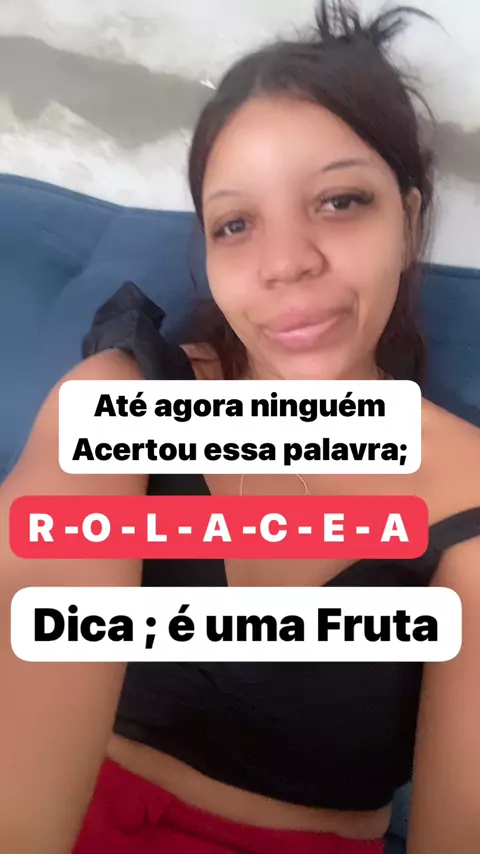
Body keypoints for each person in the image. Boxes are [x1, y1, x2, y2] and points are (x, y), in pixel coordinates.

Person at [1, 2, 480, 853]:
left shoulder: (469, 501)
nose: (285, 262)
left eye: (340, 201)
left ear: (409, 219)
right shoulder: (124, 397)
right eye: (236, 224)